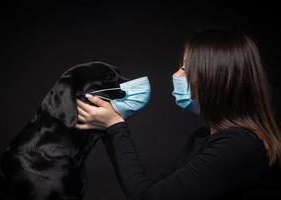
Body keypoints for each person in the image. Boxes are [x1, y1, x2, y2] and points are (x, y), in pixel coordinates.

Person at [75, 29, 281, 199]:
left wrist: (115, 127)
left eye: (186, 68)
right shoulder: (203, 138)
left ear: (217, 80)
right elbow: (148, 190)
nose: (177, 75)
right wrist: (110, 126)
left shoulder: (237, 147)